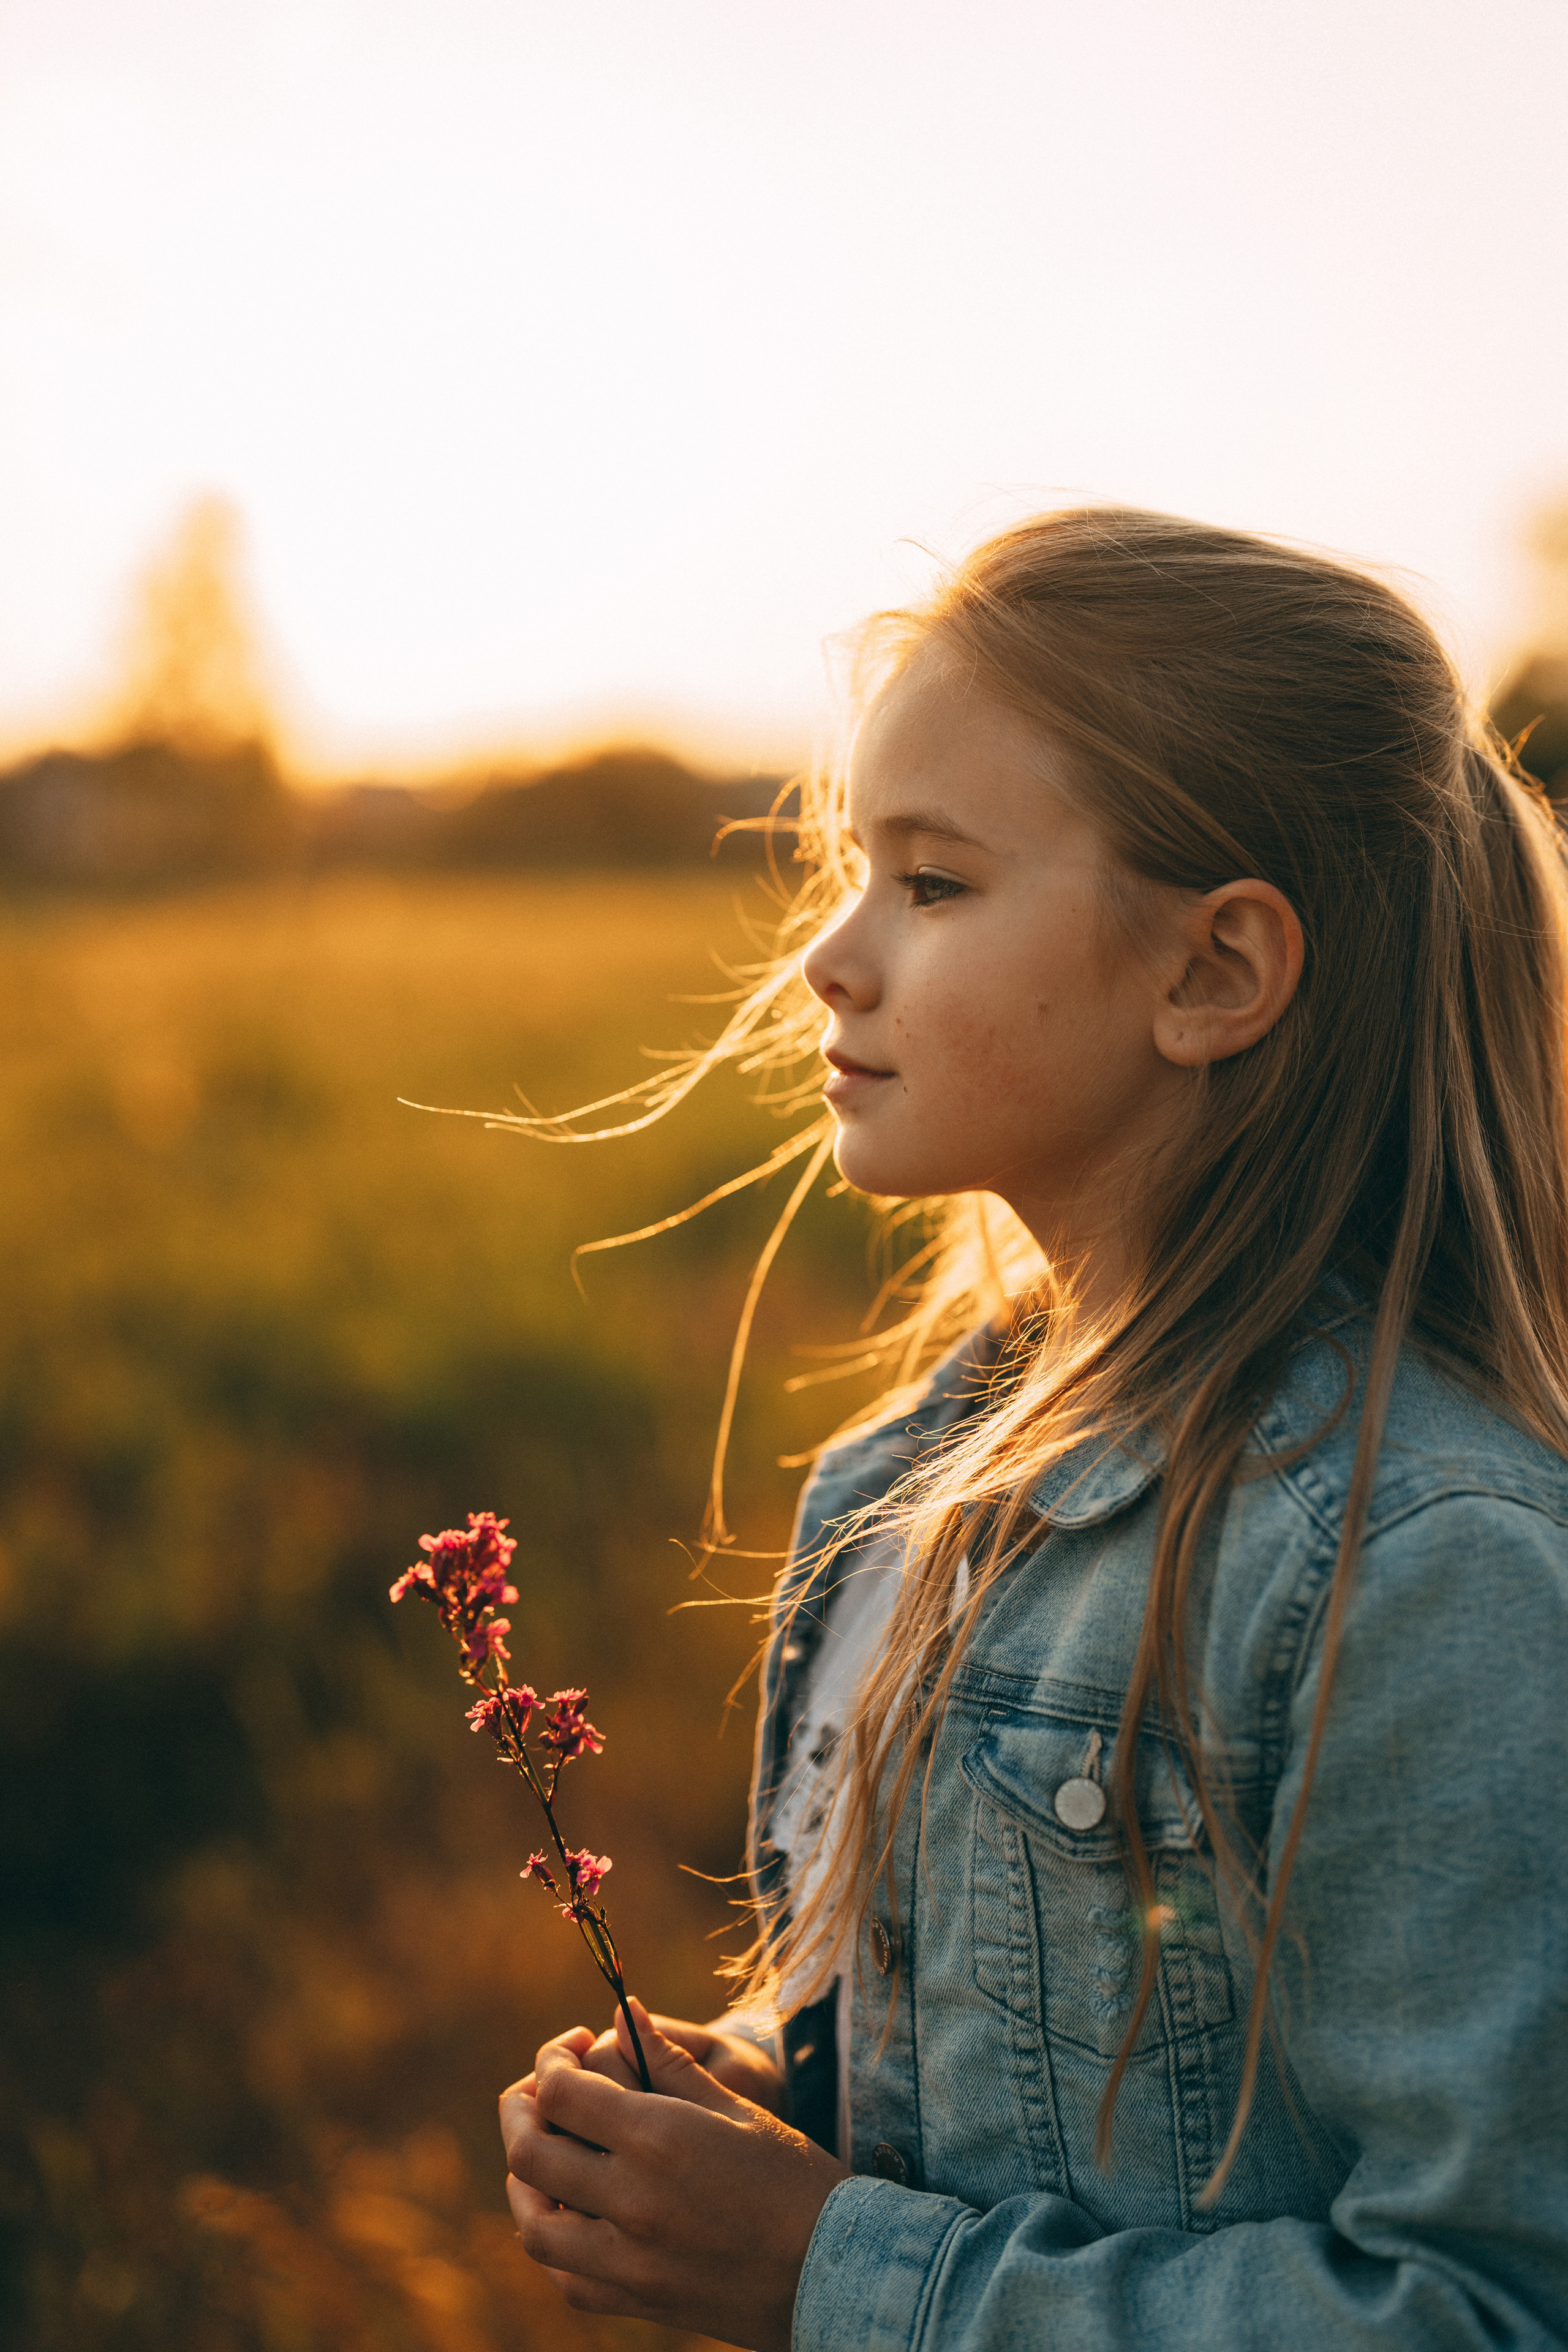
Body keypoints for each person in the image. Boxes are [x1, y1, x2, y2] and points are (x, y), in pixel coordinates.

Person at [497, 508, 1568, 2349]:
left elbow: (1487, 2305)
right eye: (850, 868)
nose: (829, 957)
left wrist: (826, 2270)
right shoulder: (907, 1486)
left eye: (932, 884)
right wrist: (748, 2106)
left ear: (1213, 974)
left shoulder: (1414, 1567)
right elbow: (989, 2064)